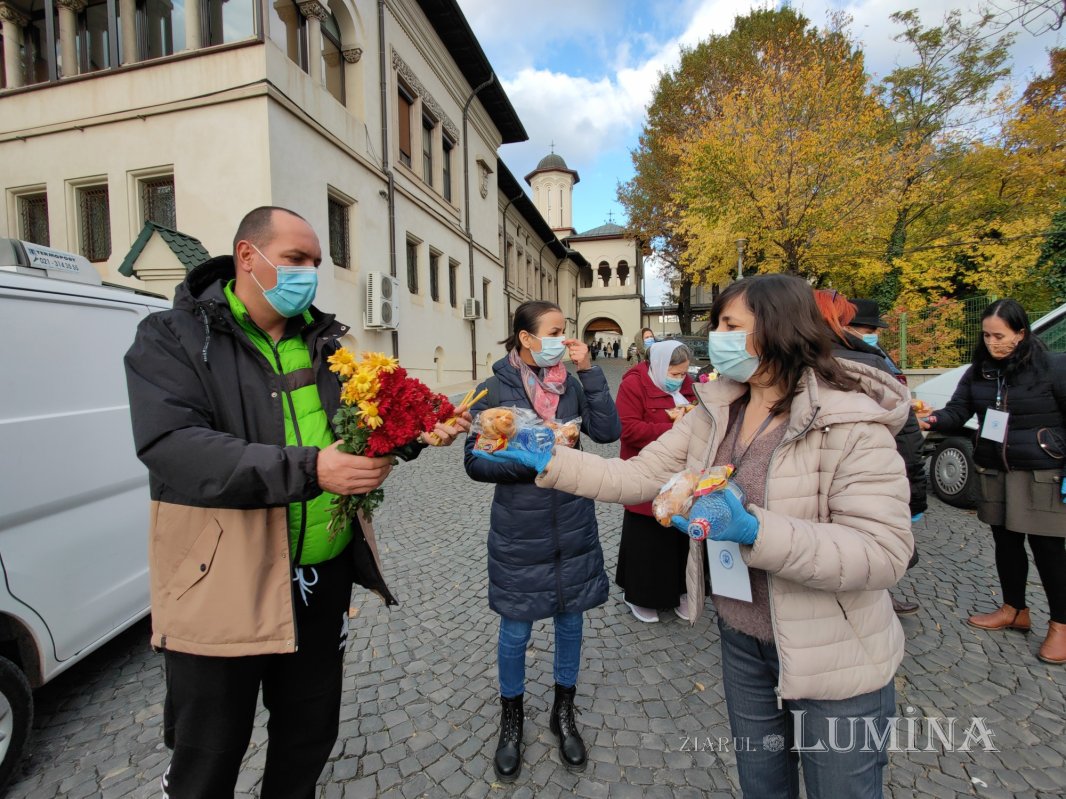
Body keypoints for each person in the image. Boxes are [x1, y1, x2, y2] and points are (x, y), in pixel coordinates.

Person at [478, 275, 913, 798]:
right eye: (718, 326)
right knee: (763, 788)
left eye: (731, 326)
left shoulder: (849, 421)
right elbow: (634, 475)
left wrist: (755, 530)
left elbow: (885, 553)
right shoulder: (715, 411)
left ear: (778, 329)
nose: (718, 338)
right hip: (743, 640)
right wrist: (549, 458)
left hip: (832, 654)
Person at [124, 206, 470, 797]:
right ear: (247, 258)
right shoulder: (173, 337)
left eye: (315, 261)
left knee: (307, 733)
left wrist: (419, 430)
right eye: (295, 260)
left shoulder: (326, 342)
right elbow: (175, 447)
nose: (309, 272)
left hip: (321, 576)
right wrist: (314, 468)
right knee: (208, 753)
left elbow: (363, 426)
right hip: (222, 582)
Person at [463, 301, 621, 782]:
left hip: (573, 520)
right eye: (554, 331)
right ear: (526, 338)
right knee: (516, 630)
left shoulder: (571, 383)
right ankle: (511, 719)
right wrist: (535, 458)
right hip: (520, 529)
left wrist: (589, 370)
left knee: (571, 621)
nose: (563, 338)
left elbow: (609, 431)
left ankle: (563, 711)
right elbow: (475, 463)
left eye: (565, 331)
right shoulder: (493, 389)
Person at [920, 299, 1066, 664]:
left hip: (1042, 471)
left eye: (999, 336)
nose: (992, 343)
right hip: (996, 468)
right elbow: (958, 412)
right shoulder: (979, 372)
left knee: (1049, 551)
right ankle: (1014, 609)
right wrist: (932, 421)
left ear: (1020, 332)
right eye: (986, 335)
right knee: (1006, 542)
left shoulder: (1052, 367)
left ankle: (1061, 625)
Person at [815, 290, 926, 616]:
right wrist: (914, 490)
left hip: (826, 477)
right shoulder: (875, 363)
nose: (871, 336)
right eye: (865, 329)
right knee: (865, 540)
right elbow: (906, 436)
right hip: (868, 475)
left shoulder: (795, 363)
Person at [614, 340, 698, 622]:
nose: (679, 379)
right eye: (674, 374)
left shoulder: (687, 386)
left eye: (683, 373)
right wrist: (672, 428)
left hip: (681, 476)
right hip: (646, 470)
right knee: (647, 539)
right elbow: (627, 428)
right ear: (659, 366)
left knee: (681, 535)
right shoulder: (634, 385)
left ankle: (682, 590)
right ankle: (639, 594)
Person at [847, 298, 905, 383]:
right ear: (848, 329)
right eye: (869, 332)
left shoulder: (876, 349)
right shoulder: (831, 352)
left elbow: (896, 376)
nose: (875, 335)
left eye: (875, 331)